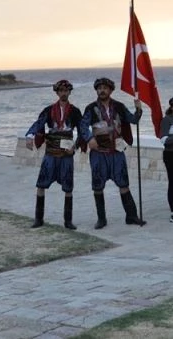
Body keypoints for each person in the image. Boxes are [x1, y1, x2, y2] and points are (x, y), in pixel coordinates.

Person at [80, 77, 145, 228]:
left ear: (110, 90)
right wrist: (90, 138)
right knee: (98, 185)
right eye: (99, 88)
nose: (102, 90)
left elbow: (133, 120)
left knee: (124, 183)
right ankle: (101, 219)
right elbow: (83, 126)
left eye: (105, 88)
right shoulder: (90, 108)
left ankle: (132, 216)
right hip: (99, 152)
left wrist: (138, 109)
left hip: (116, 151)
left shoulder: (119, 106)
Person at [25, 79, 85, 230]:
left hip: (66, 154)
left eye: (66, 91)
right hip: (51, 153)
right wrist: (30, 136)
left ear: (69, 92)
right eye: (61, 91)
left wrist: (76, 147)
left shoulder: (75, 111)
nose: (63, 93)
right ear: (57, 93)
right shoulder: (48, 110)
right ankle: (39, 219)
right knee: (41, 185)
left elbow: (83, 131)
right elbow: (39, 124)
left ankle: (68, 221)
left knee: (68, 187)